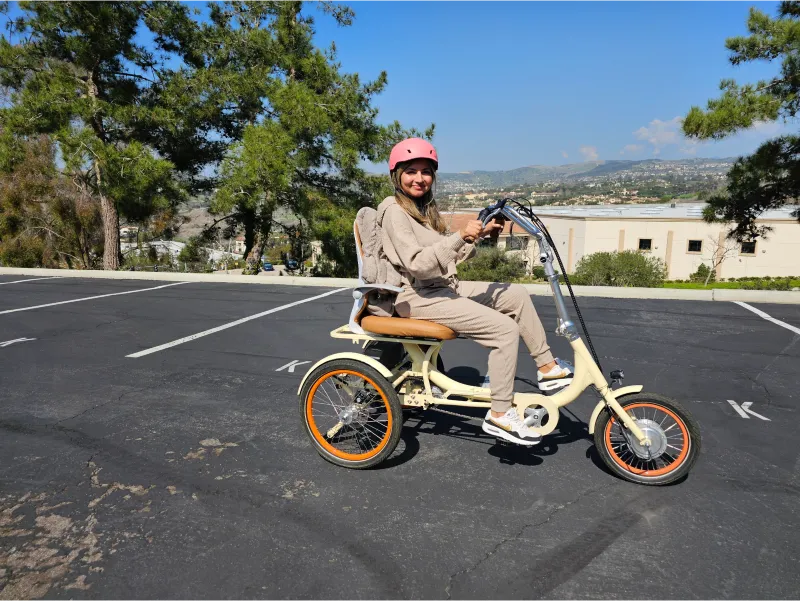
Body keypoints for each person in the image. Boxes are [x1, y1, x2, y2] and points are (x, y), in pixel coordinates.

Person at [376, 138, 573, 446]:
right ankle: (499, 414)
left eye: (426, 172)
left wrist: (476, 237)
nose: (419, 178)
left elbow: (446, 259)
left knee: (515, 294)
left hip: (439, 288)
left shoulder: (421, 210)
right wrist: (458, 236)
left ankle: (547, 368)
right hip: (415, 296)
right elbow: (418, 265)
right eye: (411, 171)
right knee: (504, 330)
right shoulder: (393, 212)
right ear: (396, 174)